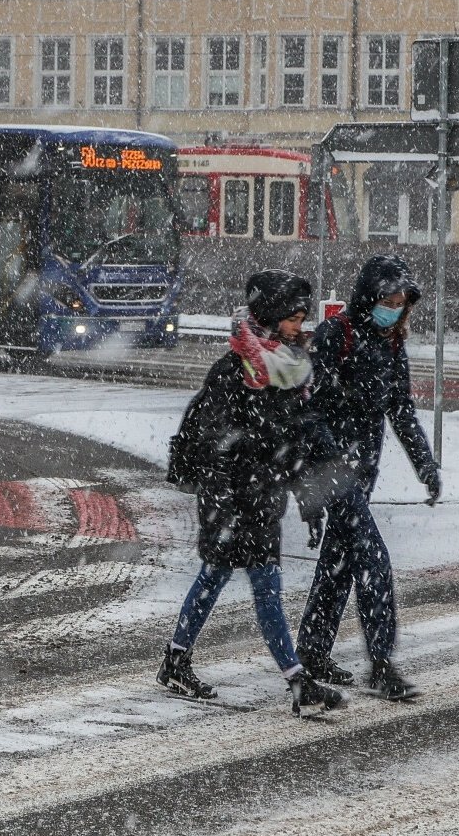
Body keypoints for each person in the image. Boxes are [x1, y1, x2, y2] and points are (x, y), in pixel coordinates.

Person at [159, 269, 346, 717]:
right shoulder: (233, 372)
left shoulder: (286, 372)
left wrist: (307, 500)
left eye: (303, 317)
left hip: (262, 497)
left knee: (238, 581)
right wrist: (222, 504)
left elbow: (291, 444)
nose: (300, 326)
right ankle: (293, 679)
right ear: (272, 317)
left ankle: (178, 660)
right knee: (239, 582)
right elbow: (215, 444)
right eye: (293, 318)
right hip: (229, 499)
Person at [295, 254, 440, 701]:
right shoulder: (336, 335)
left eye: (401, 300)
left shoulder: (392, 344)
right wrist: (331, 457)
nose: (395, 306)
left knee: (339, 561)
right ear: (370, 295)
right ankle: (380, 663)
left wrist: (425, 466)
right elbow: (308, 408)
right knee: (373, 559)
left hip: (362, 471)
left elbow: (401, 411)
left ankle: (314, 650)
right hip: (332, 471)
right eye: (389, 297)